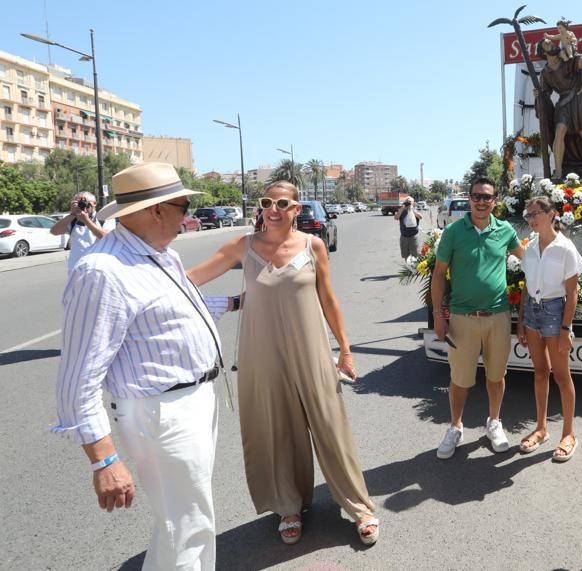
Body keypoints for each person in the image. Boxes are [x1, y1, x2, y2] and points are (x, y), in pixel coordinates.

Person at [52, 162, 234, 569]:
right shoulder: (103, 271)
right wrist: (104, 461)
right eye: (184, 206)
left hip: (191, 401)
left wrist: (238, 303)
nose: (188, 216)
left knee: (183, 519)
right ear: (156, 210)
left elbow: (172, 314)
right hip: (161, 413)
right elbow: (76, 381)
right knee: (187, 525)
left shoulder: (157, 254)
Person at [188, 182, 378, 546]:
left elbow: (329, 301)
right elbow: (189, 279)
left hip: (312, 351)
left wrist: (346, 350)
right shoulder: (243, 246)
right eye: (266, 203)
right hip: (261, 354)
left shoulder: (313, 246)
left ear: (296, 209)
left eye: (281, 203)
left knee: (330, 425)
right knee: (275, 430)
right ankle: (288, 506)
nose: (272, 209)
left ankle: (359, 506)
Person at [431, 177, 525, 459]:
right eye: (476, 196)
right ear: (469, 199)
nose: (481, 202)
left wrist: (555, 246)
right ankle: (455, 427)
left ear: (495, 200)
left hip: (497, 316)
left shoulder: (505, 230)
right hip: (462, 317)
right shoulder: (454, 232)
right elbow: (438, 274)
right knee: (460, 380)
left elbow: (530, 260)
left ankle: (493, 422)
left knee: (496, 377)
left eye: (487, 197)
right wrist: (438, 315)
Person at [516, 195, 582, 461]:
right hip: (533, 311)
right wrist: (522, 320)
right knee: (540, 372)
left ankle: (568, 434)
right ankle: (541, 428)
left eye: (536, 213)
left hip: (556, 312)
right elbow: (525, 285)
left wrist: (567, 328)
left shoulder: (565, 248)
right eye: (528, 214)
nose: (531, 219)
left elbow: (572, 291)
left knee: (561, 375)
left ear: (552, 214)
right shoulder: (531, 247)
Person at [534, 37, 582, 181]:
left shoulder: (569, 61)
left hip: (579, 98)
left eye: (551, 42)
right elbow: (545, 95)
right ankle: (558, 171)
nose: (552, 44)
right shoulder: (545, 73)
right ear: (543, 52)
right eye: (547, 44)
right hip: (563, 103)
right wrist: (539, 96)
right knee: (559, 132)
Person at [49, 191, 109, 273]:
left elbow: (106, 237)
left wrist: (86, 221)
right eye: (78, 203)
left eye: (84, 203)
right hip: (76, 270)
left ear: (94, 203)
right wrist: (72, 214)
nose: (82, 206)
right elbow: (54, 231)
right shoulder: (73, 221)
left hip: (98, 270)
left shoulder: (104, 218)